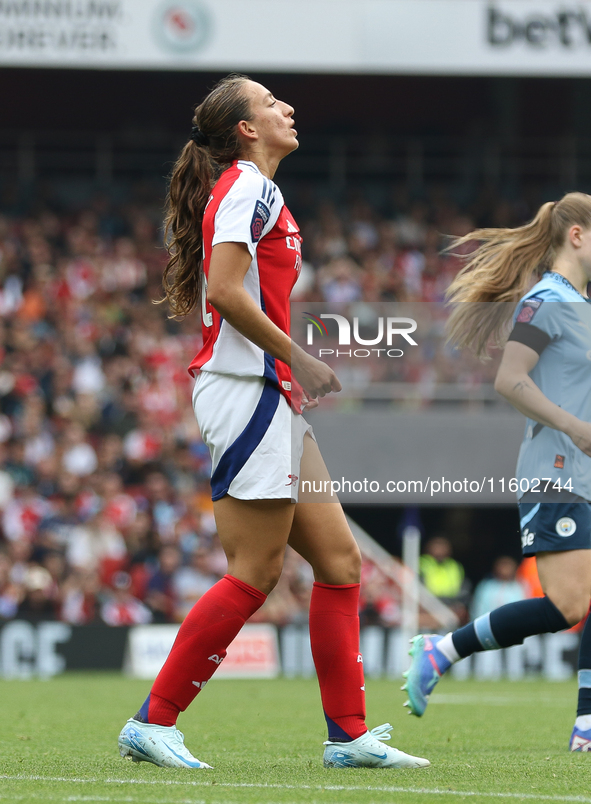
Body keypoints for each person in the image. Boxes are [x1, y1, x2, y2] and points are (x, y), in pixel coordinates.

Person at [117, 74, 429, 771]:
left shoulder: (255, 189)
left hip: (268, 391)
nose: (287, 107)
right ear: (246, 130)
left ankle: (347, 737)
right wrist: (300, 358)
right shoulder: (247, 187)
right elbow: (227, 292)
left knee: (340, 564)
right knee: (254, 572)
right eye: (269, 102)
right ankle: (153, 720)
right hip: (248, 390)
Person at [402, 193, 591, 752]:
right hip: (556, 470)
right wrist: (574, 427)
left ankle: (586, 723)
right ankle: (443, 650)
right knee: (568, 607)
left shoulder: (582, 304)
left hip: (585, 468)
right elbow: (510, 379)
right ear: (577, 235)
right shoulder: (548, 300)